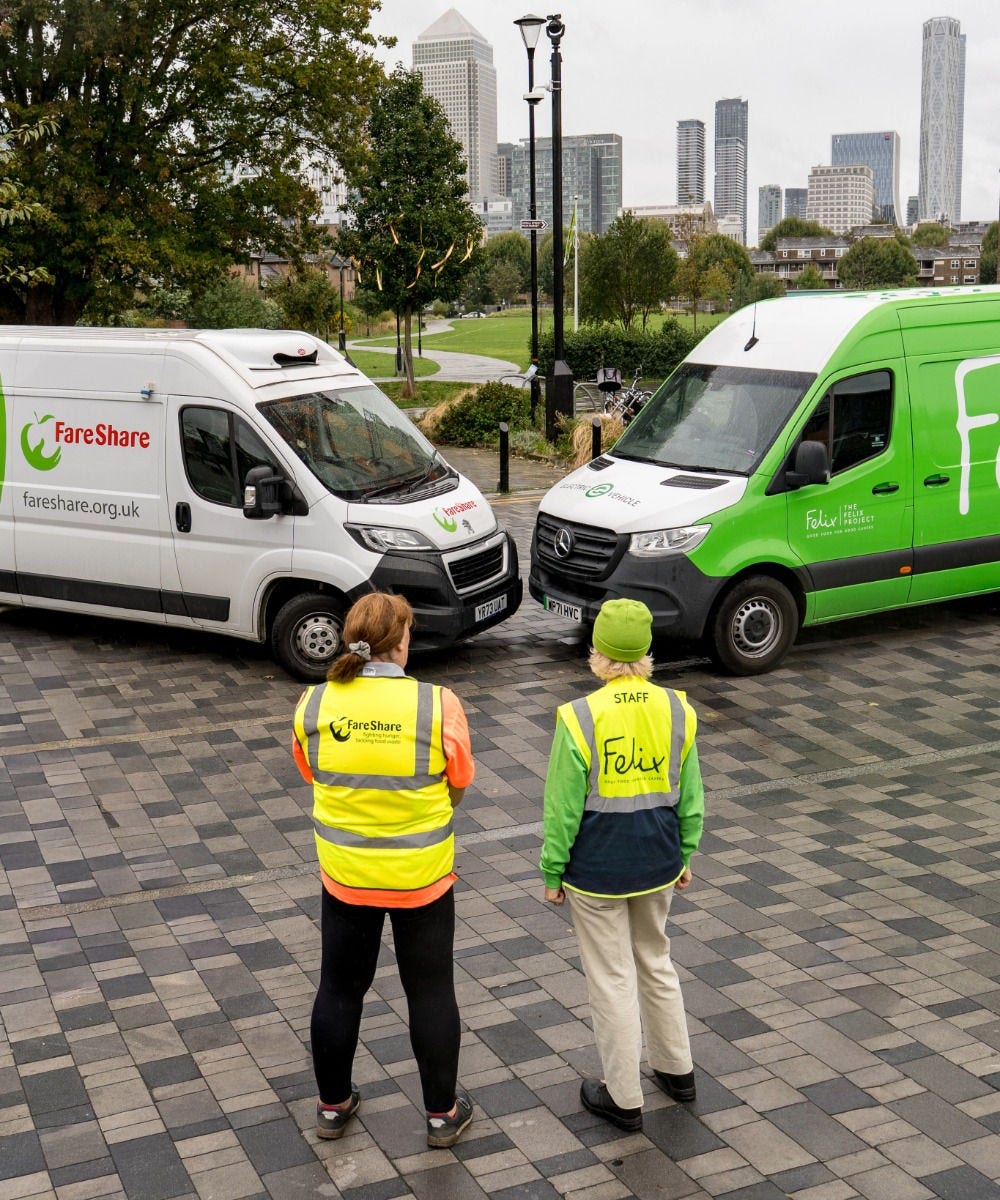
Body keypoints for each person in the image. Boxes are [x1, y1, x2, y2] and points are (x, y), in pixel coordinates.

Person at [292, 592, 475, 1148]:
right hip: (421, 879)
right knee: (431, 991)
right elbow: (459, 783)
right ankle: (442, 1115)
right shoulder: (437, 704)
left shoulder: (313, 705)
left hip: (346, 878)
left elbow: (314, 774)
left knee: (340, 990)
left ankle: (332, 1105)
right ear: (400, 642)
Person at [540, 598, 705, 1133]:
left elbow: (563, 808)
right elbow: (692, 797)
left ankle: (624, 1096)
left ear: (598, 654)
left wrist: (552, 870)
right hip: (659, 862)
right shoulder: (678, 709)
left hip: (597, 871)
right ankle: (677, 1071)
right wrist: (685, 853)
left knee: (611, 977)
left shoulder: (579, 716)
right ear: (647, 654)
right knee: (655, 960)